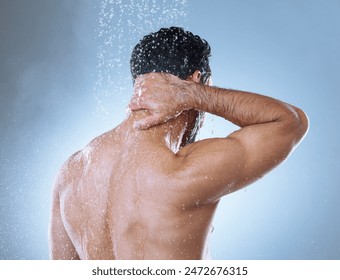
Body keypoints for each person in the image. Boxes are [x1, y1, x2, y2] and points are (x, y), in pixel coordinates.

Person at [48, 27, 308, 260]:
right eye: (206, 87)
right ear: (196, 80)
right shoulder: (182, 170)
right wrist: (195, 94)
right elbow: (291, 121)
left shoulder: (72, 171)